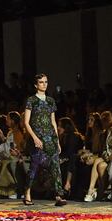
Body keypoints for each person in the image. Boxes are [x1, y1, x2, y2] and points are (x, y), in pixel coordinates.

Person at [22, 73, 67, 206]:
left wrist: (57, 140)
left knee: (55, 166)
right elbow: (26, 122)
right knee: (35, 165)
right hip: (37, 138)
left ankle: (59, 195)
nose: (44, 84)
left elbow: (53, 121)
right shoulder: (31, 100)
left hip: (50, 138)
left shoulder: (51, 101)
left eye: (46, 82)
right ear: (36, 85)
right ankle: (27, 192)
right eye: (41, 82)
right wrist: (34, 138)